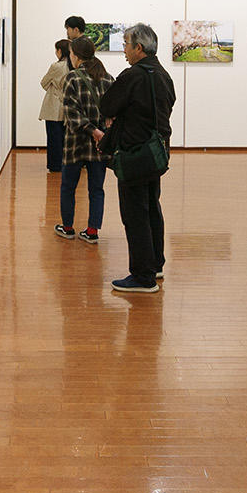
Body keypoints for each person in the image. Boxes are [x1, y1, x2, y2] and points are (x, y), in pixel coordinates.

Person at [94, 21, 174, 293]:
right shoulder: (163, 75)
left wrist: (120, 114)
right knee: (152, 207)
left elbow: (106, 105)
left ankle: (143, 276)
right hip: (156, 153)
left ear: (138, 47)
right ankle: (155, 264)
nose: (124, 52)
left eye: (126, 46)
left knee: (135, 213)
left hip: (134, 153)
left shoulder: (133, 76)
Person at [56, 36, 111, 244]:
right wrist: (100, 132)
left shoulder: (72, 78)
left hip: (75, 144)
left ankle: (68, 227)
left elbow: (71, 112)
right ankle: (92, 231)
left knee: (68, 187)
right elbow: (113, 112)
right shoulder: (108, 78)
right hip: (100, 145)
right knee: (97, 189)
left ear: (76, 56)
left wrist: (91, 130)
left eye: (71, 54)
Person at [38, 38, 71, 173]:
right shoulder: (73, 66)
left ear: (60, 51)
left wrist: (53, 85)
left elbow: (44, 83)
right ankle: (66, 163)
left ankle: (55, 165)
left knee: (53, 138)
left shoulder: (56, 66)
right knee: (65, 137)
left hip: (53, 106)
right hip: (68, 105)